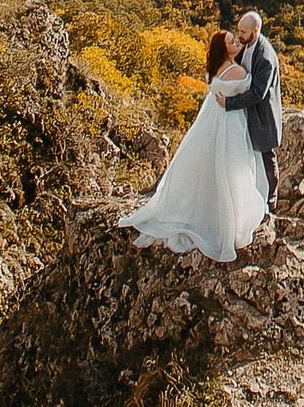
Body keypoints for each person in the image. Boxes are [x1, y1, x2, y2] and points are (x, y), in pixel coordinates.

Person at [115, 27, 272, 261]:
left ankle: (205, 210)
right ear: (225, 48)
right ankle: (226, 217)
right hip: (230, 121)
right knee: (231, 167)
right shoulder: (237, 71)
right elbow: (253, 88)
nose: (236, 42)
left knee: (210, 164)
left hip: (213, 118)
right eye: (232, 41)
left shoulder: (216, 69)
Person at [225, 10, 282, 199]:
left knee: (267, 157)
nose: (239, 35)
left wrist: (229, 103)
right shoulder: (248, 46)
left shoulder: (265, 57)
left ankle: (271, 198)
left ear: (255, 31)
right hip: (249, 113)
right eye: (239, 31)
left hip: (263, 116)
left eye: (243, 32)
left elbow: (258, 92)